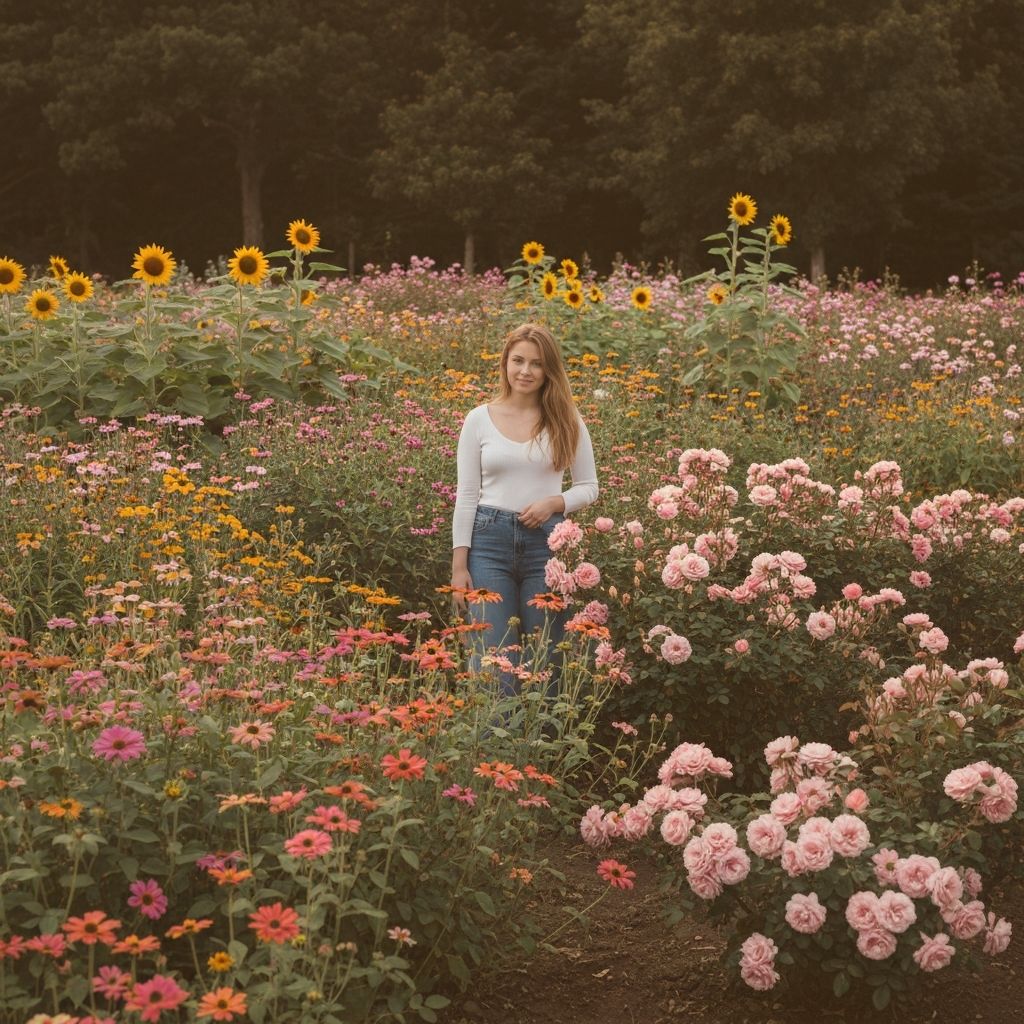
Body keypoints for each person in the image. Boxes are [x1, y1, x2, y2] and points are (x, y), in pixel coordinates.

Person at [451, 322, 599, 696]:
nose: (525, 371)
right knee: (494, 661)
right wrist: (458, 567)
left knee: (547, 660)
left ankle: (541, 754)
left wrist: (555, 502)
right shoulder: (478, 419)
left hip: (547, 547)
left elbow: (589, 487)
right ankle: (494, 752)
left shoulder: (567, 420)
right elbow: (467, 494)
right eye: (517, 360)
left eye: (536, 364)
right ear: (504, 363)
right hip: (488, 544)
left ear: (549, 370)